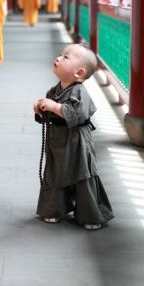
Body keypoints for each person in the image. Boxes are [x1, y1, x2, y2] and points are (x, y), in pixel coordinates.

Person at [34, 44, 114, 230]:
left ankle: (91, 215)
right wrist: (40, 111)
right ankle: (54, 209)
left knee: (82, 176)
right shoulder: (55, 90)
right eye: (61, 54)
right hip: (58, 138)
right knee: (55, 172)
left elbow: (77, 114)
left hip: (77, 141)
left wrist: (54, 107)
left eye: (66, 57)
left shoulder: (80, 92)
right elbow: (50, 114)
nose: (59, 58)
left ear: (79, 73)